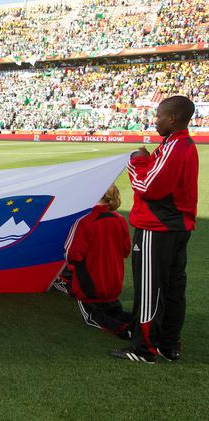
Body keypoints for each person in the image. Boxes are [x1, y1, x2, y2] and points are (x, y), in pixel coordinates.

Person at [112, 96, 199, 364]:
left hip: (157, 227)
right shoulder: (181, 145)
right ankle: (167, 345)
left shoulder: (175, 146)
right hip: (176, 226)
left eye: (159, 116)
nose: (156, 120)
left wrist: (136, 160)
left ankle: (144, 350)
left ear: (172, 119)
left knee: (149, 290)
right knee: (173, 288)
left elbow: (148, 186)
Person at [62, 185, 132, 339]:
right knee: (116, 311)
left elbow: (72, 254)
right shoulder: (120, 220)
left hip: (89, 286)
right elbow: (126, 250)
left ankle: (125, 330)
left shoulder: (85, 222)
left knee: (92, 316)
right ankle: (142, 325)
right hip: (114, 282)